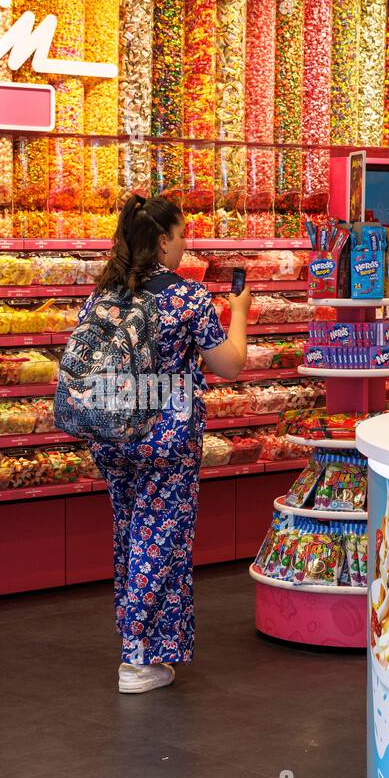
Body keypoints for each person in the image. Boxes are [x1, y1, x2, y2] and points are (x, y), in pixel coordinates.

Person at [83, 195, 252, 694]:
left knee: (131, 535)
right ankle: (136, 658)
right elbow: (231, 364)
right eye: (181, 236)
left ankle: (154, 648)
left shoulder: (103, 295)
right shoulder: (188, 297)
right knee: (158, 541)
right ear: (162, 241)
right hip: (166, 441)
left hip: (113, 436)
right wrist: (239, 311)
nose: (186, 245)